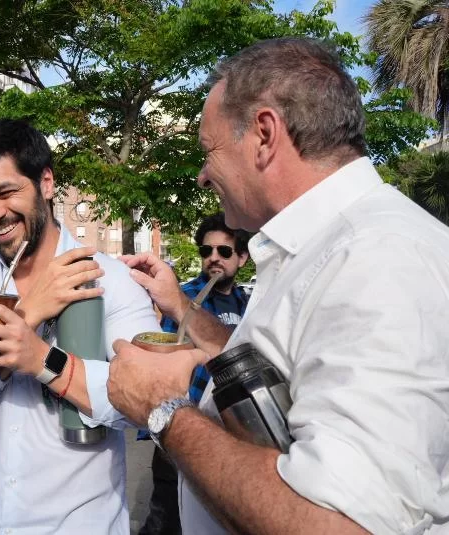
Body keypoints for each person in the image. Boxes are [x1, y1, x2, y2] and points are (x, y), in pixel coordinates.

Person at [109, 37, 449, 534]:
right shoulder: (326, 248)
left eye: (210, 151)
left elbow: (339, 524)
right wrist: (181, 307)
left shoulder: (378, 259)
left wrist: (163, 411)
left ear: (265, 134)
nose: (203, 177)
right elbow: (293, 371)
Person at [0, 119, 160, 534]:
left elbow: (144, 401)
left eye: (6, 192)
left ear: (46, 183)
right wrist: (28, 313)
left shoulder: (108, 278)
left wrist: (42, 360)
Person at [139, 211, 250, 535]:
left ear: (242, 257)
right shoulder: (183, 299)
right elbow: (163, 356)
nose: (213, 258)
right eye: (206, 251)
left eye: (224, 251)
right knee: (166, 523)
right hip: (183, 433)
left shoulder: (249, 305)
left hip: (233, 438)